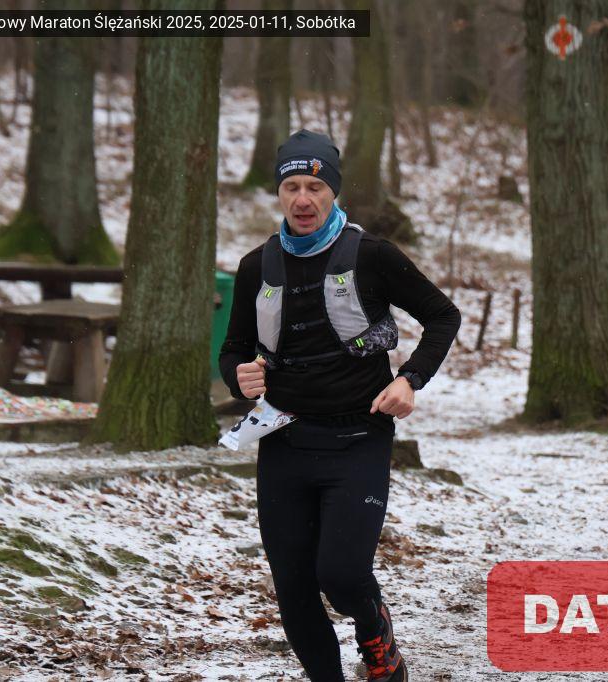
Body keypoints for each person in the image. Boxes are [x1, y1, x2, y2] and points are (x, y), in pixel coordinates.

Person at [219, 129, 461, 681]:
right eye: (292, 188)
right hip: (284, 441)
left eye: (315, 187)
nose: (303, 200)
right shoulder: (258, 266)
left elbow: (443, 315)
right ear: (279, 194)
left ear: (333, 191)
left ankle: (377, 636)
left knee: (343, 575)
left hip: (358, 439)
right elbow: (234, 348)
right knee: (294, 587)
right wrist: (238, 376)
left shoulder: (372, 256)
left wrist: (411, 379)